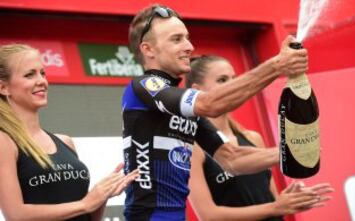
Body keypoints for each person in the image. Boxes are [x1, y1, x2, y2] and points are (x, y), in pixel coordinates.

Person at [122, 4, 313, 221]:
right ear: (148, 50)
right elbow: (209, 105)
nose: (189, 46)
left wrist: (291, 153)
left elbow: (231, 159)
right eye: (176, 39)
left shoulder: (182, 107)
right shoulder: (144, 86)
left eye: (187, 38)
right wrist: (277, 65)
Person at [0, 43, 139, 221]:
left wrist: (102, 196)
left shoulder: (65, 141)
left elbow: (87, 216)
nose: (41, 81)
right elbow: (16, 215)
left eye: (42, 73)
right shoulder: (5, 142)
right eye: (29, 75)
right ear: (4, 87)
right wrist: (86, 203)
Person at [186, 55, 334, 221]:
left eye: (234, 79)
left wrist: (288, 201)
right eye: (222, 80)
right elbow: (209, 215)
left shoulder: (253, 138)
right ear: (197, 91)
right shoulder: (192, 147)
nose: (233, 85)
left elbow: (271, 202)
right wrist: (274, 207)